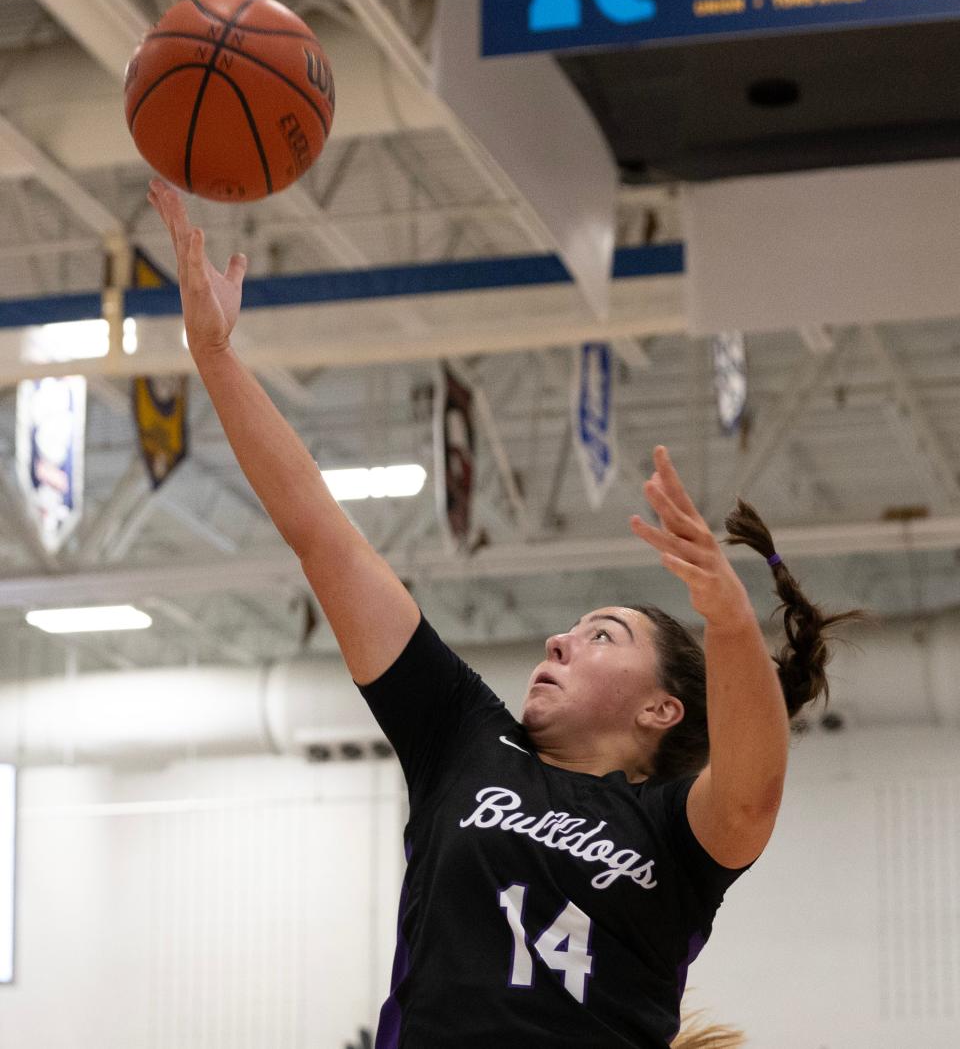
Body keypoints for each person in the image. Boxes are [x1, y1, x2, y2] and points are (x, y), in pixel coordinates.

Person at [148, 178, 859, 1049]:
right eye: (575, 626)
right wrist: (216, 356)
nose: (559, 636)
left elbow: (755, 792)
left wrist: (727, 618)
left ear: (661, 706)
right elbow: (328, 543)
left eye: (604, 634)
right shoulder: (462, 737)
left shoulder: (674, 833)